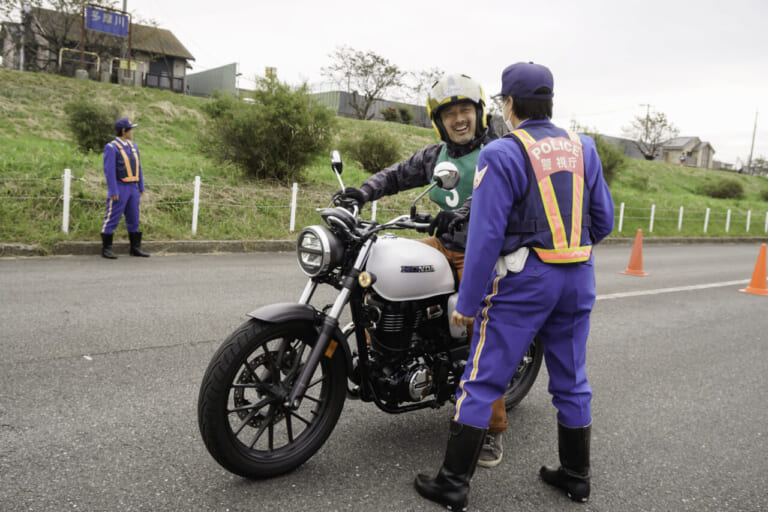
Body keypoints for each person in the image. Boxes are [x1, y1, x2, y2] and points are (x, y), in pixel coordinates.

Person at [414, 62, 615, 511]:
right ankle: (576, 477)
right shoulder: (584, 148)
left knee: (482, 380)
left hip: (525, 280)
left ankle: (452, 483)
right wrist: (569, 247)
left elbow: (485, 239)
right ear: (550, 102)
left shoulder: (503, 153)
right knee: (572, 380)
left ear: (508, 105)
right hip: (578, 276)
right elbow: (604, 220)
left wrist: (467, 303)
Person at [341, 74, 509, 467]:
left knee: (480, 336)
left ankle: (491, 432)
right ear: (439, 121)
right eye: (450, 114)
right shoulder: (436, 156)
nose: (459, 119)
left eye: (466, 110)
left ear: (479, 113)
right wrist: (361, 193)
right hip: (445, 244)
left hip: (482, 253)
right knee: (378, 275)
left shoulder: (498, 151)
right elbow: (398, 175)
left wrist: (460, 214)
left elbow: (490, 194)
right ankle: (387, 358)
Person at [100, 117, 150, 259]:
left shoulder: (133, 146)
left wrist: (141, 186)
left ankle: (135, 248)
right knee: (112, 217)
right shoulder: (111, 147)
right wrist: (113, 190)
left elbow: (138, 167)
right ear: (123, 131)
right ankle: (106, 248)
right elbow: (109, 171)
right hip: (120, 187)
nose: (132, 132)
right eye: (131, 129)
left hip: (132, 188)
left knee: (134, 218)